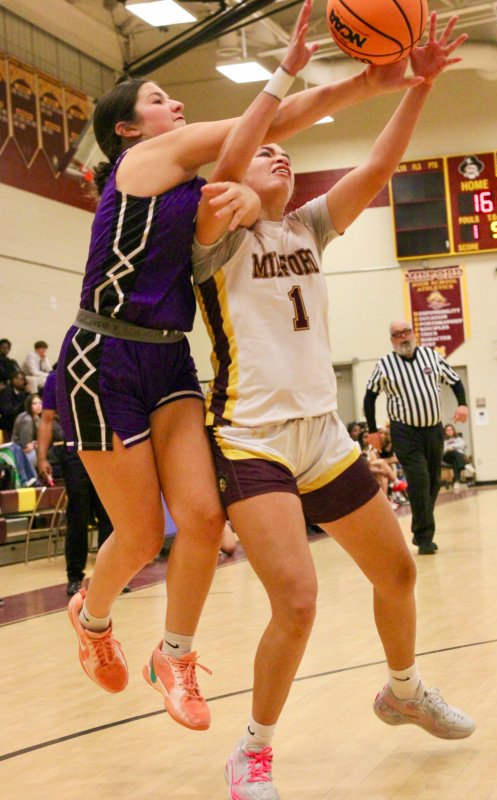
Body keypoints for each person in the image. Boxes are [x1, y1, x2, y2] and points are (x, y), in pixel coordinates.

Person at [58, 0, 419, 725]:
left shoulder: (205, 191)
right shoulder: (142, 161)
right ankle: (91, 618)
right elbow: (260, 131)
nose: (175, 105)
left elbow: (261, 149)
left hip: (169, 358)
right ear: (127, 128)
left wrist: (375, 83)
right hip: (104, 353)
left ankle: (174, 656)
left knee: (200, 518)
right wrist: (334, 79)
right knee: (139, 534)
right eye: (159, 99)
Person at [192, 12, 474, 798]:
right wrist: (281, 76)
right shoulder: (213, 233)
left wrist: (419, 86)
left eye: (287, 152)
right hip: (251, 438)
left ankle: (402, 691)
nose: (279, 156)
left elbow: (378, 165)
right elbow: (232, 157)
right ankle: (252, 751)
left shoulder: (308, 227)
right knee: (297, 599)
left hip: (322, 434)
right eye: (265, 152)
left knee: (398, 573)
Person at [364, 320, 469, 554]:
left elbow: (455, 380)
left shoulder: (431, 356)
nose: (403, 337)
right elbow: (369, 397)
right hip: (405, 432)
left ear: (413, 333)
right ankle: (424, 538)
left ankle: (420, 526)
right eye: (397, 334)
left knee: (433, 481)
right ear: (392, 340)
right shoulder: (385, 365)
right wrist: (372, 431)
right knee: (420, 480)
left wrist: (462, 404)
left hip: (433, 430)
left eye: (406, 332)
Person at [37, 370, 115, 596]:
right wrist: (41, 458)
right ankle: (74, 577)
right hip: (73, 451)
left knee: (109, 513)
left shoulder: (104, 368)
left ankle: (109, 576)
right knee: (78, 511)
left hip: (105, 448)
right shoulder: (56, 377)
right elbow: (47, 419)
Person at [12, 393, 42, 467]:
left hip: (30, 449)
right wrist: (36, 444)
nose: (38, 405)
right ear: (29, 405)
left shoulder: (37, 417)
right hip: (20, 452)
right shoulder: (27, 419)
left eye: (40, 403)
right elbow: (26, 446)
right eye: (35, 403)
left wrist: (35, 443)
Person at [442, 422, 475, 489]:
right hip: (447, 457)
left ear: (454, 430)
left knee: (456, 460)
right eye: (447, 430)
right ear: (445, 432)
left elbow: (462, 445)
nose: (449, 431)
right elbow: (443, 449)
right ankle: (466, 464)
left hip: (457, 457)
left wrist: (452, 447)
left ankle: (456, 482)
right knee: (455, 454)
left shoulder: (459, 439)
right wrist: (451, 448)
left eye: (451, 429)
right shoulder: (443, 440)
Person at [0, 371, 29, 441]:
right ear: (12, 379)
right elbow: (6, 410)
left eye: (21, 379)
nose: (18, 381)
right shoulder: (6, 391)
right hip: (8, 424)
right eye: (16, 378)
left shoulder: (23, 393)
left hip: (19, 423)